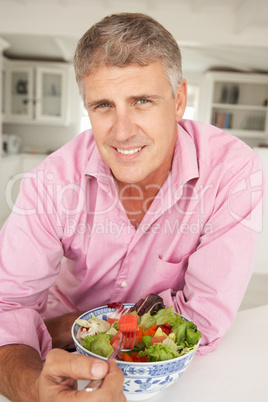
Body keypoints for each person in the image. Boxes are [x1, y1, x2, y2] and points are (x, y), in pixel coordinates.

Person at [0, 12, 264, 401]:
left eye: (142, 101)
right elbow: (7, 306)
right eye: (103, 105)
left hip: (172, 373)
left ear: (178, 101)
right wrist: (35, 390)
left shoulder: (233, 172)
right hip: (58, 359)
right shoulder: (51, 181)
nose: (122, 132)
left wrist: (67, 325)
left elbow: (203, 321)